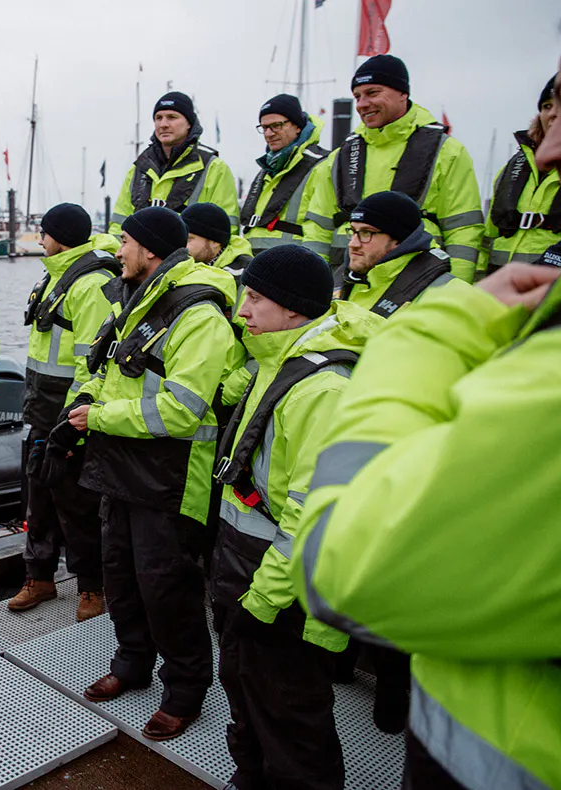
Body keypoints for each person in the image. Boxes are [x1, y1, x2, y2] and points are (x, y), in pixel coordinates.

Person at [293, 2, 561, 786]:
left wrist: (441, 323)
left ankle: (378, 685)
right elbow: (317, 234)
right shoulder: (344, 162)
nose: (547, 144)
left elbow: (341, 570)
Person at [212, 246, 384, 790]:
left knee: (292, 727)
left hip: (283, 598)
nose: (242, 309)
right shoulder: (275, 362)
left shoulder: (323, 389)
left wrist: (259, 604)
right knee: (246, 700)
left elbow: (313, 516)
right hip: (244, 575)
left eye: (255, 298)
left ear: (293, 309)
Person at [72, 206, 242, 741]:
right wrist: (83, 398)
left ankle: (186, 689)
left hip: (170, 476)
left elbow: (181, 410)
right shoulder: (133, 301)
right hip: (120, 466)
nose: (116, 250)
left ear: (148, 249)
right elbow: (99, 368)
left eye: (123, 241)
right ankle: (132, 663)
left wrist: (97, 416)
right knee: (121, 577)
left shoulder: (197, 315)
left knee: (167, 587)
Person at [12, 203, 120, 621]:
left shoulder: (91, 283)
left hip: (67, 416)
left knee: (76, 503)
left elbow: (90, 361)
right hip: (41, 409)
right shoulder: (55, 275)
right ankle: (38, 576)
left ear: (60, 235)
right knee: (37, 498)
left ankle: (92, 586)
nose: (40, 238)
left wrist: (73, 421)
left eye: (44, 231)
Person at [303, 55, 484, 282]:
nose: (361, 104)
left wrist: (455, 292)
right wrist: (310, 283)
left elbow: (463, 230)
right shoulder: (340, 158)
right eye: (357, 97)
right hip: (347, 285)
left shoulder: (447, 152)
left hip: (417, 286)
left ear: (403, 93)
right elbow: (318, 228)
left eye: (372, 93)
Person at [479, 74, 561, 276]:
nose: (553, 114)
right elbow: (487, 238)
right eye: (547, 106)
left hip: (557, 288)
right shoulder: (510, 169)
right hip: (499, 283)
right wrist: (478, 282)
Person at [109, 91, 239, 237]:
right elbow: (119, 224)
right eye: (158, 118)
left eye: (172, 117)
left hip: (189, 259)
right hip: (141, 258)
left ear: (189, 123)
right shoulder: (139, 168)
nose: (163, 124)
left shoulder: (215, 169)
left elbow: (224, 230)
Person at [336, 190, 458, 318]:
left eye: (366, 233)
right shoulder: (347, 276)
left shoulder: (446, 293)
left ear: (399, 239)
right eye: (353, 231)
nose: (353, 244)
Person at [240, 94, 329, 254]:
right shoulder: (267, 169)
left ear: (298, 126)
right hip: (254, 265)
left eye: (276, 125)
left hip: (292, 266)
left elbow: (321, 227)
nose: (269, 134)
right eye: (264, 128)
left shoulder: (321, 166)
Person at [181, 202, 255, 278]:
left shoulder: (243, 273)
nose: (181, 245)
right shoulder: (186, 262)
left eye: (188, 239)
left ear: (215, 242)